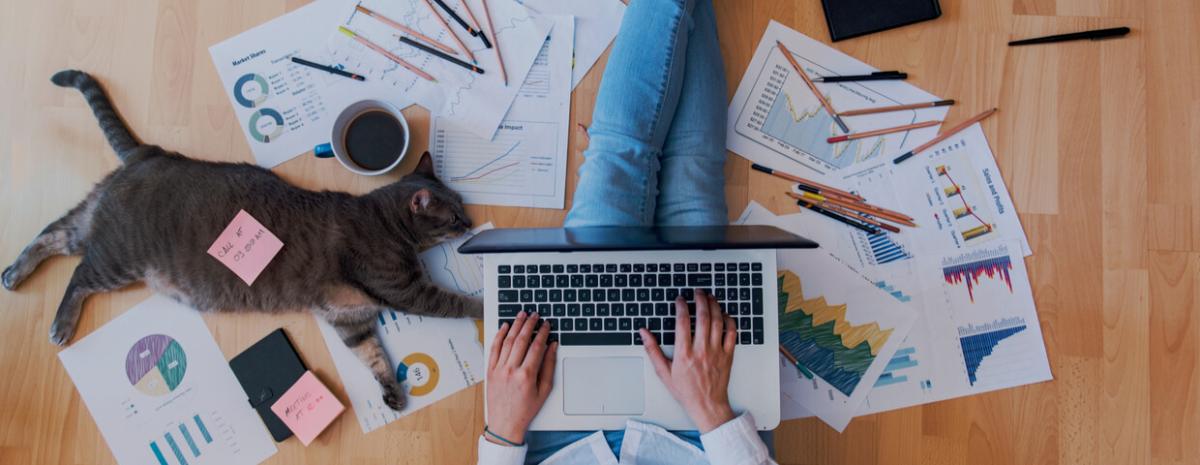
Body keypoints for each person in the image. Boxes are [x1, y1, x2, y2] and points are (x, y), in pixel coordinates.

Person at [477, 0, 777, 463]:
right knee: (692, 175)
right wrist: (712, 410)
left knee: (620, 157)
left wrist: (500, 432)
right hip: (700, 434)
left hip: (555, 431)